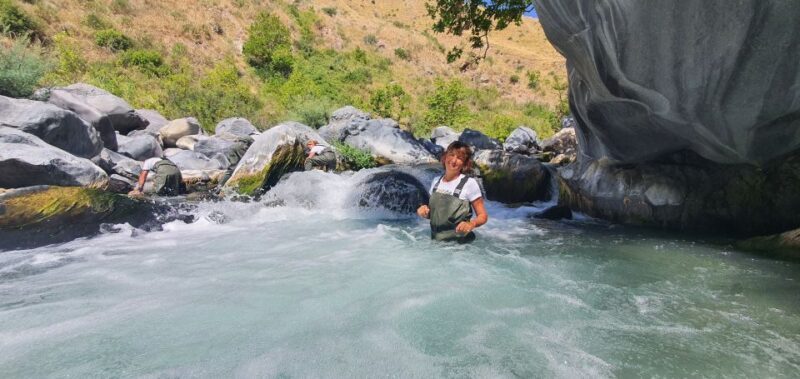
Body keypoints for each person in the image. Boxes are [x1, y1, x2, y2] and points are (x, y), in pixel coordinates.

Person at [417, 141, 488, 242]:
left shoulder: (469, 183)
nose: (454, 160)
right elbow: (436, 215)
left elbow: (483, 216)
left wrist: (471, 224)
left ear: (465, 164)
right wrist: (423, 211)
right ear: (445, 157)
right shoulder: (436, 181)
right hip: (437, 244)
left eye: (459, 158)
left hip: (461, 247)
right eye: (451, 155)